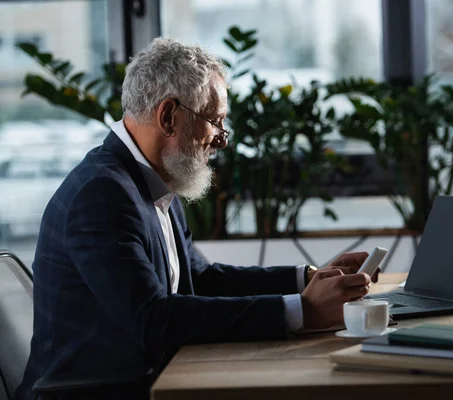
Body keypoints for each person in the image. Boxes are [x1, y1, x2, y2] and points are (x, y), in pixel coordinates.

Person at [16, 38, 377, 400]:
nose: (221, 139)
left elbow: (200, 279)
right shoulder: (101, 195)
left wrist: (308, 279)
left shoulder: (151, 178)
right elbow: (152, 320)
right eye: (214, 120)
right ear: (169, 116)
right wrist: (304, 311)